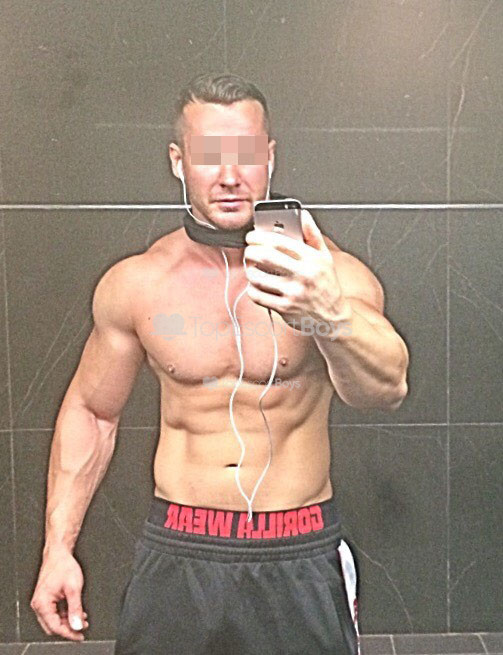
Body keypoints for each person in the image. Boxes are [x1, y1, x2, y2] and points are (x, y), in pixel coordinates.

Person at [30, 73, 409, 654]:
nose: (229, 176)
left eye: (246, 154)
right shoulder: (140, 283)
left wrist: (327, 313)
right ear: (178, 161)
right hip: (181, 550)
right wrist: (58, 547)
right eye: (209, 155)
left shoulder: (330, 277)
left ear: (270, 157)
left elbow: (386, 388)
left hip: (298, 551)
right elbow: (92, 412)